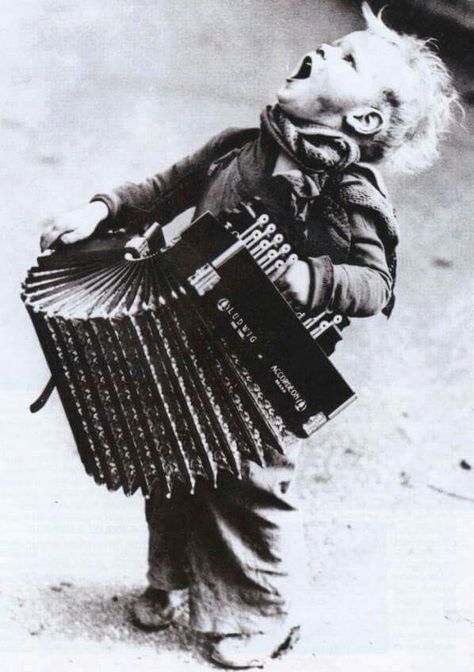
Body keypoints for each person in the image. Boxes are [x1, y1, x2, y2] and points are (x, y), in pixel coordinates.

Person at [40, 4, 458, 668]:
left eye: (346, 59)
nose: (323, 50)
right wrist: (100, 209)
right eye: (330, 44)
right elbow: (163, 189)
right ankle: (173, 579)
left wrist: (311, 279)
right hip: (186, 338)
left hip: (266, 369)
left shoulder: (349, 192)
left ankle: (264, 615)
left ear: (365, 122)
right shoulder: (241, 144)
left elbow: (376, 286)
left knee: (249, 489)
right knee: (171, 462)